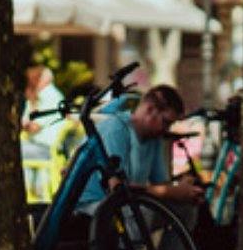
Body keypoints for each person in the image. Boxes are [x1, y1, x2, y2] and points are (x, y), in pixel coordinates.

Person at [75, 83, 203, 215]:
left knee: (187, 207)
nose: (167, 129)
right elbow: (118, 189)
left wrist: (180, 188)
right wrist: (172, 192)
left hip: (123, 202)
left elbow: (161, 183)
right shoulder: (117, 129)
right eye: (166, 122)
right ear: (149, 109)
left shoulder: (154, 138)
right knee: (142, 213)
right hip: (92, 205)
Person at [20, 65, 66, 162]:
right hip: (41, 146)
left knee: (12, 151)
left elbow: (34, 127)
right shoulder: (41, 96)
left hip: (46, 148)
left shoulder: (48, 94)